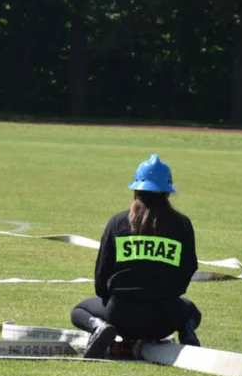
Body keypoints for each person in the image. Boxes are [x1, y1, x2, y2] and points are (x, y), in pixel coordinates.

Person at [71, 154, 202, 359]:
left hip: (120, 317)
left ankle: (101, 327)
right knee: (192, 312)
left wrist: (112, 300)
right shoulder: (182, 225)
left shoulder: (118, 223)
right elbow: (188, 270)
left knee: (79, 311)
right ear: (167, 194)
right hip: (164, 320)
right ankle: (187, 332)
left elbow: (101, 276)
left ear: (136, 190)